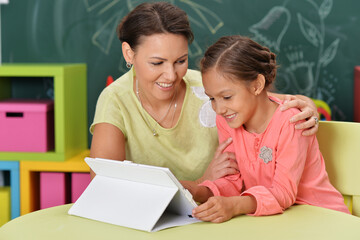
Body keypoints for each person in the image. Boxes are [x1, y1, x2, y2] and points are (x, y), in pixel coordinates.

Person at [90, 2, 319, 184]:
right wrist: (202, 182)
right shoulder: (115, 99)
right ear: (129, 54)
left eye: (180, 60)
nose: (171, 75)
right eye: (157, 63)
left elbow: (261, 100)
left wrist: (307, 104)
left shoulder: (208, 88)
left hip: (222, 211)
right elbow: (104, 185)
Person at [188, 35, 349, 223]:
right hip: (276, 221)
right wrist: (194, 191)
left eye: (227, 97)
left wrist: (234, 205)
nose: (219, 108)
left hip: (323, 218)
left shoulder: (291, 121)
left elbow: (283, 193)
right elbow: (232, 179)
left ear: (257, 85)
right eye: (212, 98)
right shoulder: (227, 119)